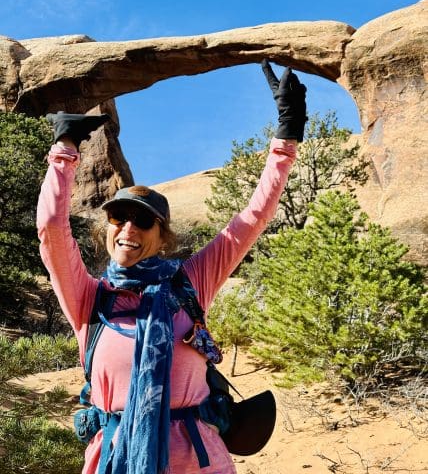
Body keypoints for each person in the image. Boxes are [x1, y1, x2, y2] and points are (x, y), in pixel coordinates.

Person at [37, 60, 307, 474]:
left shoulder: (189, 283)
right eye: (118, 218)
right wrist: (64, 149)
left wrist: (286, 137)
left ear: (163, 237)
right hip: (115, 458)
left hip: (196, 461)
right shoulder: (89, 298)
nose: (128, 229)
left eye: (142, 221)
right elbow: (52, 229)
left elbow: (251, 219)